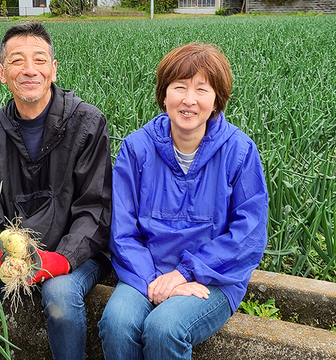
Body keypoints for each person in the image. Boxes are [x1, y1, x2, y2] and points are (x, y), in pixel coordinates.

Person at [98, 42, 268, 359]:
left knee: (165, 328)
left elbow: (249, 235)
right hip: (144, 272)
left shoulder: (239, 151)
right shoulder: (137, 148)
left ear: (217, 100)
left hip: (214, 276)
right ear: (164, 95)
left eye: (202, 90)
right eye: (179, 88)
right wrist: (155, 281)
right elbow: (121, 229)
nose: (189, 100)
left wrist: (185, 273)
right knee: (117, 323)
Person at [0, 22, 112, 360]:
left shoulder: (87, 123)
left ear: (53, 70)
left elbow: (95, 207)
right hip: (14, 258)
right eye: (17, 61)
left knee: (60, 296)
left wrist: (62, 258)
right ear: (2, 72)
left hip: (75, 253)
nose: (30, 70)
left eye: (40, 60)